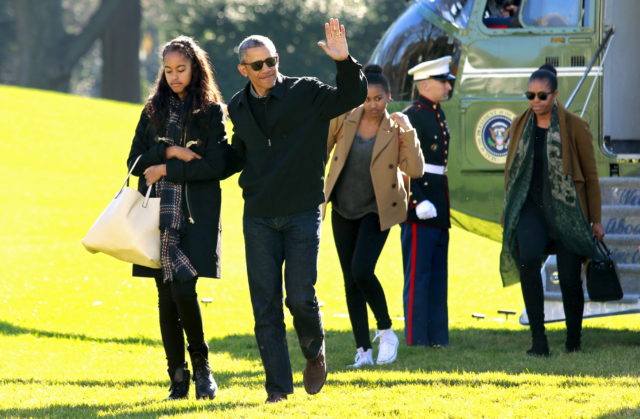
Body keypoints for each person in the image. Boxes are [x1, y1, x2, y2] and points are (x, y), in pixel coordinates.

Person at [227, 19, 367, 403]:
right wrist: (183, 162)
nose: (267, 68)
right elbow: (237, 156)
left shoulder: (306, 92)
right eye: (258, 65)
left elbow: (350, 96)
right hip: (257, 217)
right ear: (244, 70)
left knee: (300, 298)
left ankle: (314, 351)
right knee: (265, 306)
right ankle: (278, 390)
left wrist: (344, 60)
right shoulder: (237, 106)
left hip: (303, 212)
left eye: (271, 60)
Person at [127, 36, 235, 400]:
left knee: (183, 289)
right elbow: (134, 164)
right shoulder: (151, 110)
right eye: (168, 70)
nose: (174, 77)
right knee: (165, 295)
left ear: (195, 68)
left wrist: (166, 169)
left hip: (193, 217)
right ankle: (177, 377)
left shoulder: (211, 112)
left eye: (181, 69)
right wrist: (170, 151)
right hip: (155, 217)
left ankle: (202, 368)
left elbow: (217, 167)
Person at [500, 64, 604, 356]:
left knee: (570, 278)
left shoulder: (575, 127)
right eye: (530, 95)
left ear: (555, 95)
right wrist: (508, 209)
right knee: (528, 261)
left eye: (541, 95)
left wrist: (595, 219)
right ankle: (538, 340)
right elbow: (512, 171)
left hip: (568, 210)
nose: (535, 101)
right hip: (531, 208)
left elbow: (591, 176)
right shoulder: (521, 125)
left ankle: (574, 339)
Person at [324, 64, 424, 368]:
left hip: (377, 210)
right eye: (366, 99)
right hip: (343, 207)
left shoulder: (396, 128)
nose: (372, 105)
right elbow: (320, 152)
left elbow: (416, 169)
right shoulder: (344, 118)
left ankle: (386, 330)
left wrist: (407, 129)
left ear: (388, 97)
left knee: (362, 270)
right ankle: (363, 351)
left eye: (378, 99)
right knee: (350, 281)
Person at [401, 56, 455, 347]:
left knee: (437, 275)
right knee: (419, 275)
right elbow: (402, 164)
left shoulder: (437, 113)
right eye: (442, 81)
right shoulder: (413, 115)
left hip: (438, 201)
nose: (448, 86)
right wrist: (416, 200)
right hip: (420, 206)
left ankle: (437, 337)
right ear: (425, 84)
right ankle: (416, 337)